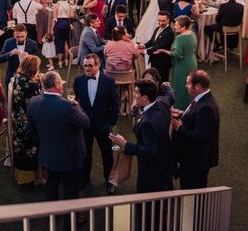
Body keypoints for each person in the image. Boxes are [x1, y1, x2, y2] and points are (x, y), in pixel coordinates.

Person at [27, 71, 90, 203]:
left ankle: (52, 216)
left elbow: (31, 130)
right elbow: (85, 123)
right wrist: (78, 107)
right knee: (70, 189)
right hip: (70, 157)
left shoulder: (33, 102)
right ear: (57, 84)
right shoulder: (69, 106)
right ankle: (70, 220)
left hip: (48, 154)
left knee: (51, 186)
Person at [109, 79, 173, 195]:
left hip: (152, 170)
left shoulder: (148, 123)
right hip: (165, 162)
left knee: (148, 202)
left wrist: (125, 144)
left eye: (137, 92)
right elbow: (170, 96)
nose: (134, 94)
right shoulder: (162, 102)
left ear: (145, 98)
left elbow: (149, 151)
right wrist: (167, 86)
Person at [73, 54, 119, 193]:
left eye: (90, 66)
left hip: (103, 125)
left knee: (107, 155)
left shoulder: (109, 81)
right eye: (85, 65)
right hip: (85, 124)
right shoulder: (78, 80)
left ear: (98, 65)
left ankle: (109, 181)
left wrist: (111, 122)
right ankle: (84, 179)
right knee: (85, 153)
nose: (87, 68)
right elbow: (75, 100)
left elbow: (115, 104)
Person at [171, 70, 220, 189]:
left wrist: (179, 127)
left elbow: (199, 136)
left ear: (197, 86)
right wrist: (183, 114)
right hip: (193, 157)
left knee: (192, 190)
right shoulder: (202, 99)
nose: (186, 86)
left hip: (196, 161)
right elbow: (196, 118)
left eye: (188, 83)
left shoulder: (206, 107)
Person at [10, 55, 44, 184]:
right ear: (33, 69)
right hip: (29, 125)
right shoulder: (32, 85)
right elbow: (42, 99)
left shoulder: (17, 78)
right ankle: (39, 174)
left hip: (17, 121)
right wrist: (40, 82)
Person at [155, 16, 197, 110]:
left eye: (177, 25)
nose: (175, 27)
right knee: (190, 87)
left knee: (180, 87)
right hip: (192, 62)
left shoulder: (179, 38)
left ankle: (180, 109)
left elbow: (176, 54)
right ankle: (190, 107)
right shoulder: (192, 34)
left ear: (183, 27)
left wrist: (163, 50)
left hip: (182, 65)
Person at [0, 24, 38, 88]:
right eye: (17, 37)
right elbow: (0, 59)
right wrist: (10, 53)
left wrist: (29, 57)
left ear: (26, 33)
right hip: (12, 73)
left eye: (22, 36)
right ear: (14, 34)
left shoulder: (33, 44)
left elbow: (36, 61)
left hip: (28, 74)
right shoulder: (8, 42)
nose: (20, 39)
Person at [140, 11, 175, 83]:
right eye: (159, 20)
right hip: (154, 60)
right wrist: (143, 45)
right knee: (155, 80)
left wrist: (146, 51)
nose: (161, 23)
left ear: (168, 20)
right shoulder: (157, 28)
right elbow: (152, 41)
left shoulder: (170, 33)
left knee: (163, 81)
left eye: (163, 21)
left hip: (163, 62)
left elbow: (161, 46)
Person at [51, 0, 74, 68]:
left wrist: (52, 29)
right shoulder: (68, 4)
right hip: (67, 23)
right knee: (66, 42)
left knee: (59, 43)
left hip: (59, 23)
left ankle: (60, 62)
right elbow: (72, 15)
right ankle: (66, 60)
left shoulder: (56, 5)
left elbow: (54, 19)